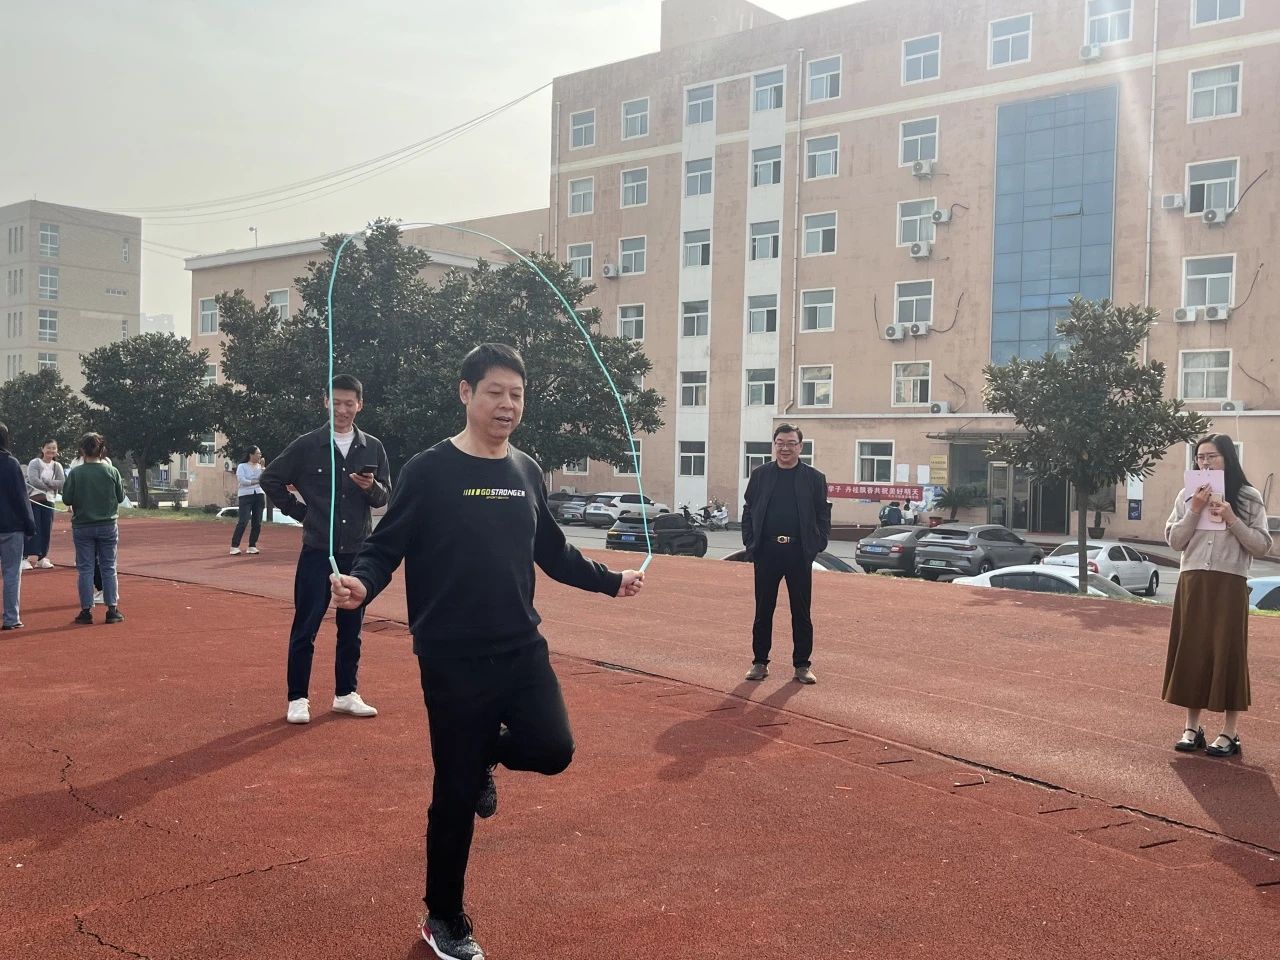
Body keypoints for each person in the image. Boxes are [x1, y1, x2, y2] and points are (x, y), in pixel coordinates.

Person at [330, 344, 644, 960]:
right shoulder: (428, 470)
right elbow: (386, 545)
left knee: (553, 749)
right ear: (466, 393)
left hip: (522, 646)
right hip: (451, 655)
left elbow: (553, 552)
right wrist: (362, 584)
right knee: (453, 794)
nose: (507, 405)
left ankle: (484, 759)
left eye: (517, 395)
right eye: (495, 392)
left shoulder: (527, 469)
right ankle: (443, 918)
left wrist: (612, 581)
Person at [261, 374, 389, 725]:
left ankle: (346, 694)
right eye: (337, 402)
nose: (343, 410)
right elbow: (270, 478)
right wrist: (301, 513)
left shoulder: (373, 447)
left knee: (352, 629)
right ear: (325, 402)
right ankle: (297, 698)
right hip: (318, 549)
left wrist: (370, 487)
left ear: (360, 405)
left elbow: (385, 496)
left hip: (357, 552)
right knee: (306, 626)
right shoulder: (307, 445)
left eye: (350, 403)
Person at [1165, 434, 1272, 757]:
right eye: (1200, 457)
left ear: (1227, 459)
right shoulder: (1187, 494)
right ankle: (1191, 727)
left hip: (1229, 582)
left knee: (1228, 652)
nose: (1205, 463)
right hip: (1193, 580)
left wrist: (1231, 518)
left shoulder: (1248, 496)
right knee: (1192, 651)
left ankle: (1229, 732)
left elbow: (1261, 546)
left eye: (1212, 456)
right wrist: (1194, 510)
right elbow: (1175, 541)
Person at [741, 423, 831, 685]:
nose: (785, 448)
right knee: (763, 610)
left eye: (791, 443)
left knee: (801, 612)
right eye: (780, 443)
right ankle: (759, 662)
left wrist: (817, 544)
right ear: (774, 445)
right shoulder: (761, 475)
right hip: (767, 551)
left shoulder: (814, 478)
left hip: (799, 552)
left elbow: (823, 514)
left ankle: (802, 665)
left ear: (800, 447)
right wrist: (750, 542)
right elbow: (748, 509)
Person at [61, 433, 125, 625]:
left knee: (85, 568)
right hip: (107, 524)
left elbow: (66, 499)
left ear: (82, 450)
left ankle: (86, 610)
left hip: (83, 525)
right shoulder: (112, 471)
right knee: (109, 567)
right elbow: (120, 497)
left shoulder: (76, 473)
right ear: (102, 450)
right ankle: (112, 609)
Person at [0, 423, 37, 630]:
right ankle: (11, 617)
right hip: (11, 526)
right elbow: (22, 498)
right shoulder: (11, 463)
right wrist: (30, 525)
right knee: (12, 573)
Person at [23, 439, 64, 570]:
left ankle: (42, 557)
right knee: (34, 528)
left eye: (54, 448)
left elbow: (61, 482)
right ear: (42, 449)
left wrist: (48, 483)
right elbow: (33, 480)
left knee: (46, 529)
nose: (51, 450)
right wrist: (49, 486)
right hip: (34, 500)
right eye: (48, 448)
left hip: (49, 501)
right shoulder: (35, 463)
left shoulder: (57, 466)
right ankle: (25, 557)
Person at [230, 446, 266, 555]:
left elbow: (264, 479)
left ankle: (252, 545)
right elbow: (242, 481)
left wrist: (263, 468)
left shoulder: (260, 467)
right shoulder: (242, 466)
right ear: (251, 454)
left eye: (260, 454)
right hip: (245, 495)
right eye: (258, 453)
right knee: (243, 521)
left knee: (257, 522)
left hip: (259, 494)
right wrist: (256, 481)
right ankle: (234, 546)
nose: (260, 456)